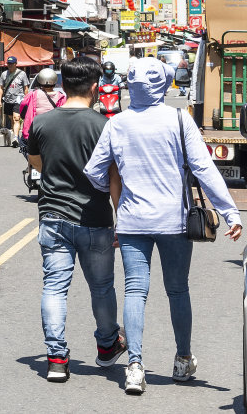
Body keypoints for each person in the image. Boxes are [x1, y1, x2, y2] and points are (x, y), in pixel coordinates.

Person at [85, 58, 243, 395]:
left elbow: (95, 171)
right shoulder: (178, 119)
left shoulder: (117, 123)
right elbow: (204, 168)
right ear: (161, 85)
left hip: (132, 221)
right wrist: (230, 213)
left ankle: (135, 367)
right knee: (178, 289)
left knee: (134, 291)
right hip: (174, 221)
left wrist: (119, 192)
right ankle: (183, 359)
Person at [24, 56, 123, 383]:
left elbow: (36, 162)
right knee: (102, 287)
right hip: (94, 217)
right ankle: (107, 346)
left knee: (54, 287)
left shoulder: (43, 123)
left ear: (63, 85)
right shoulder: (104, 125)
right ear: (95, 87)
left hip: (52, 215)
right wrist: (121, 218)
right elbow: (114, 177)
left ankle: (56, 358)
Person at [19, 67, 64, 144]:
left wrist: (23, 116)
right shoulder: (61, 96)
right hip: (54, 131)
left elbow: (23, 105)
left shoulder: (33, 94)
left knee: (24, 145)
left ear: (39, 81)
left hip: (35, 130)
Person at [0, 57, 28, 146]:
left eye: (12, 64)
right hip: (8, 99)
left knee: (16, 118)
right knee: (11, 119)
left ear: (16, 64)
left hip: (18, 99)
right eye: (8, 63)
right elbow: (1, 88)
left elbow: (25, 88)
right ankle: (16, 135)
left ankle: (15, 137)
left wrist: (26, 99)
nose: (10, 65)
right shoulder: (4, 74)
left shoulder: (22, 74)